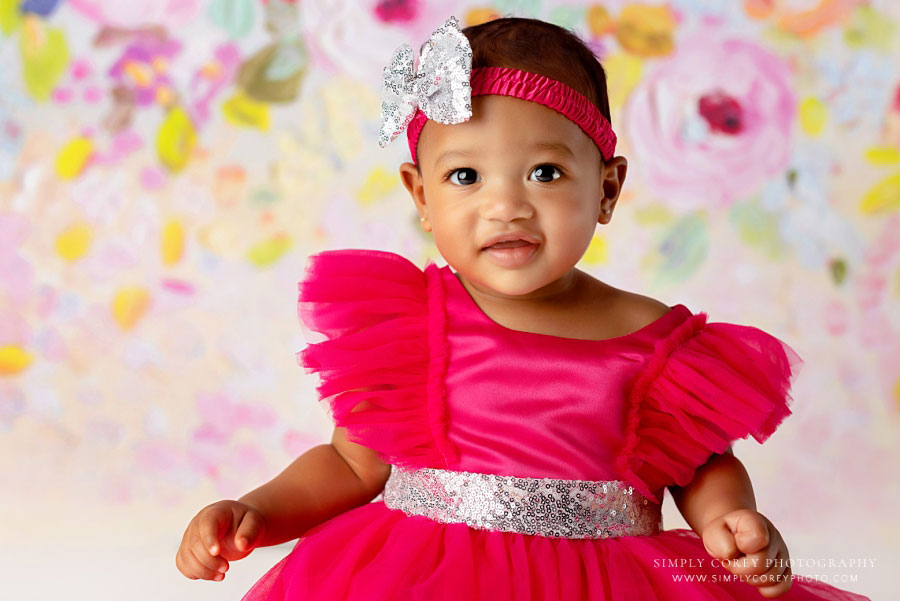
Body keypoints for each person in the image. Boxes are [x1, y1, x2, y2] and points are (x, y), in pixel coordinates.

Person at [176, 16, 873, 601]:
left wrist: (730, 517)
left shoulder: (653, 338)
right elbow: (352, 464)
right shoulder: (413, 326)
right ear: (420, 195)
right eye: (465, 176)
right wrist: (258, 511)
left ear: (607, 187)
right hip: (421, 572)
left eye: (546, 172)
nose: (505, 204)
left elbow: (699, 463)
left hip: (605, 576)